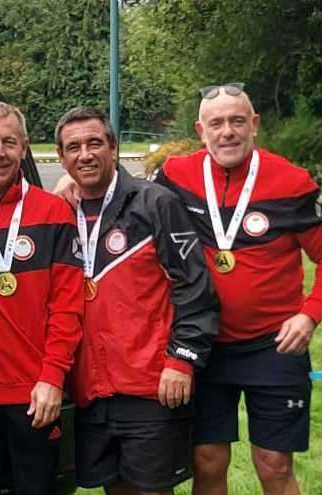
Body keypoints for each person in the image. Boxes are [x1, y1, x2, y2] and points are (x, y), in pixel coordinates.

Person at [153, 84, 322, 495]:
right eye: (217, 123)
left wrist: (310, 313)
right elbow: (128, 201)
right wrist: (70, 186)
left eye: (237, 121)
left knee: (274, 465)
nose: (227, 132)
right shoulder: (175, 175)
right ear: (201, 130)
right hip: (203, 344)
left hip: (274, 346)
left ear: (254, 125)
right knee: (207, 460)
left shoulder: (293, 182)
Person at [54, 106, 219, 495]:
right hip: (90, 389)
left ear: (113, 147)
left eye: (95, 143)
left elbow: (195, 287)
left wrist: (182, 359)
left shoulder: (155, 204)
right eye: (73, 147)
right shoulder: (58, 212)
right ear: (61, 158)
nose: (85, 155)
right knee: (116, 489)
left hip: (151, 387)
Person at [0, 102, 84, 494]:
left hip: (35, 395)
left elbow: (67, 307)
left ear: (25, 147)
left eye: (9, 142)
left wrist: (52, 377)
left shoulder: (54, 213)